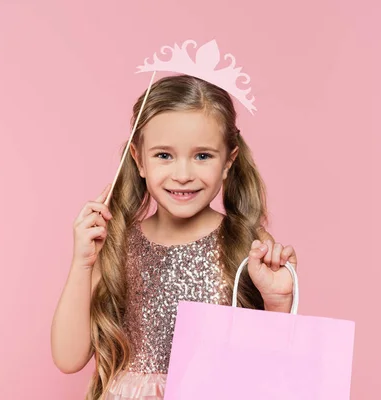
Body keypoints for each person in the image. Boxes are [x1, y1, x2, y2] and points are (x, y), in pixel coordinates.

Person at [51, 74, 298, 399]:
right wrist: (82, 263)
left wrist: (278, 303)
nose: (183, 175)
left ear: (228, 161)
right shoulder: (117, 244)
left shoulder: (247, 243)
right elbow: (68, 359)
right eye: (164, 155)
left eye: (203, 156)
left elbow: (271, 371)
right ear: (139, 159)